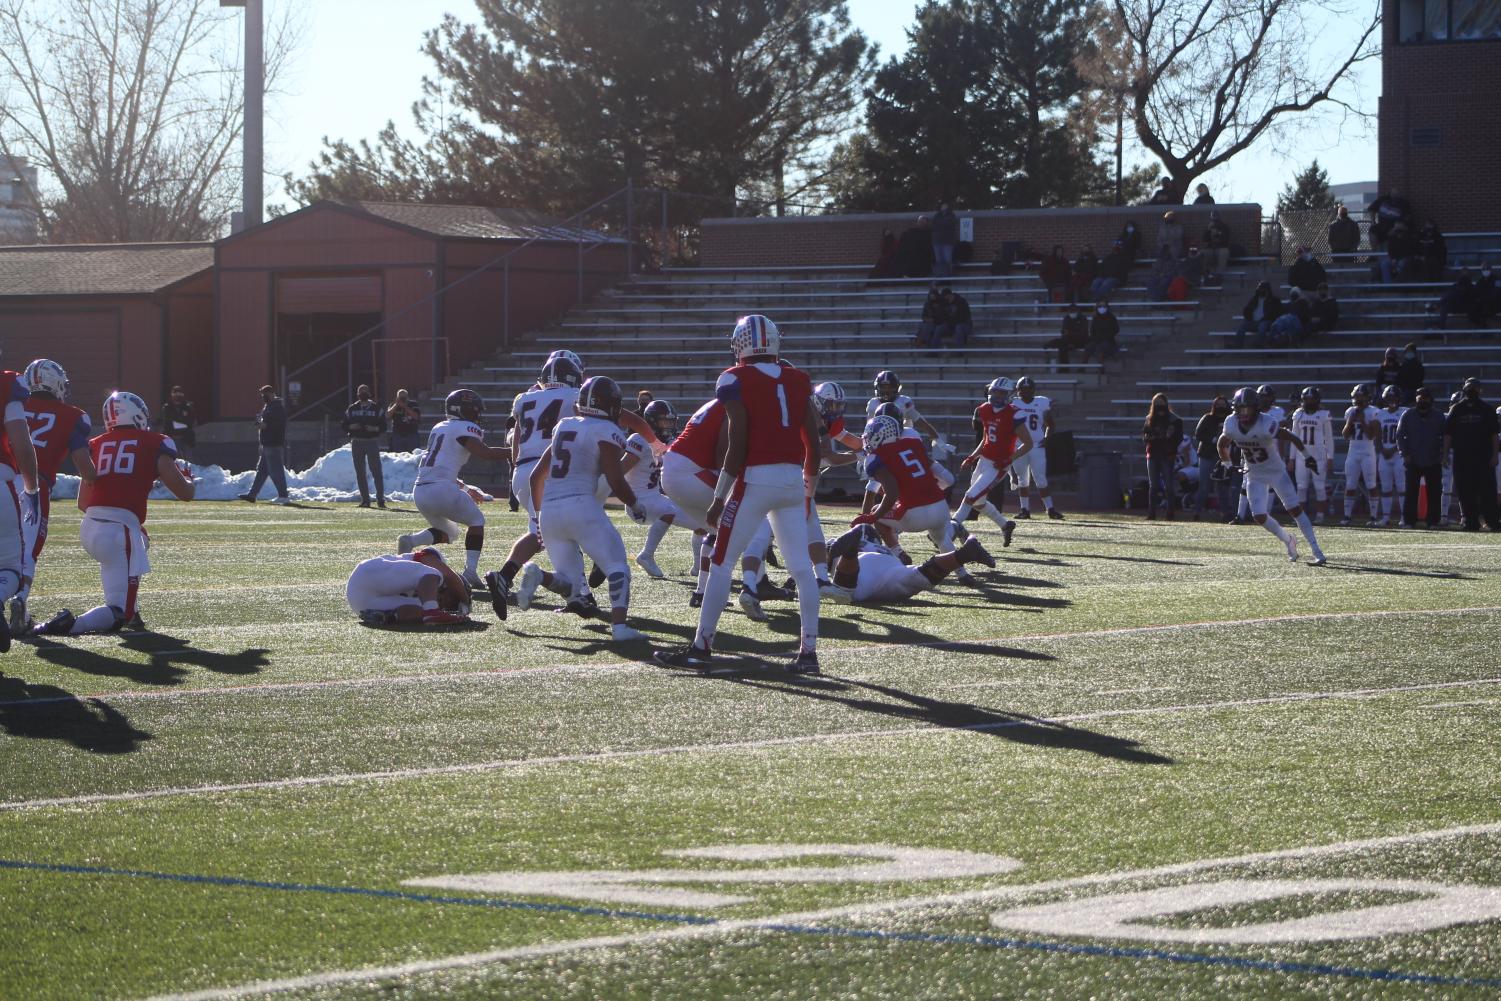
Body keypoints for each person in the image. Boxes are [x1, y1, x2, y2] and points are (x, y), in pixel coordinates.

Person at [654, 315, 825, 674]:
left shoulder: (734, 378)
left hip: (756, 480)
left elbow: (738, 442)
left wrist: (718, 498)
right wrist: (808, 484)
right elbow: (813, 439)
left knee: (720, 562)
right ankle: (807, 653)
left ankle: (701, 647)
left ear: (740, 344)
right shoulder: (798, 378)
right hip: (793, 481)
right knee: (801, 569)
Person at [30, 392, 193, 638]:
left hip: (90, 527)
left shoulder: (94, 444)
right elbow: (185, 492)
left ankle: (132, 608)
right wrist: (188, 478)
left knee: (139, 541)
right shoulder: (155, 441)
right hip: (118, 530)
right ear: (138, 415)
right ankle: (71, 624)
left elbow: (83, 502)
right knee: (119, 612)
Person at [517, 376, 648, 642]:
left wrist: (539, 517)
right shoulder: (605, 430)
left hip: (550, 512)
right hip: (581, 505)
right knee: (617, 567)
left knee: (571, 584)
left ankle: (538, 575)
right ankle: (620, 628)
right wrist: (634, 503)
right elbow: (614, 478)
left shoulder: (563, 426)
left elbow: (535, 477)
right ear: (612, 406)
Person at [11, 359, 96, 632]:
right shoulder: (73, 415)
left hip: (2, 481)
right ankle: (20, 602)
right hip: (34, 485)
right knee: (27, 552)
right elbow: (84, 466)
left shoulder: (14, 407)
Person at [397, 389, 510, 590]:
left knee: (449, 532)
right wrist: (518, 452)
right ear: (463, 410)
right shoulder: (465, 428)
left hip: (421, 491)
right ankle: (470, 572)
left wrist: (466, 488)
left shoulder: (439, 427)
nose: (477, 415)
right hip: (441, 490)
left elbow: (440, 467)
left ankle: (410, 540)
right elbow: (486, 453)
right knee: (477, 521)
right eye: (474, 411)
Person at [1216, 387, 1327, 564]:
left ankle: (1317, 550)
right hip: (1254, 474)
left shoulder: (1266, 422)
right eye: (1240, 408)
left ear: (1255, 408)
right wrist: (1227, 463)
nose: (1244, 413)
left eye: (1247, 408)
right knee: (1259, 515)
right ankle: (1288, 540)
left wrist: (1307, 456)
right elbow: (1222, 444)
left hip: (1276, 472)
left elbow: (1292, 437)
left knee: (1294, 509)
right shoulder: (1231, 423)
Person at [854, 415, 957, 561]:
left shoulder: (877, 456)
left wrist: (872, 517)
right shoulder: (913, 443)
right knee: (941, 540)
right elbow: (944, 478)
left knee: (877, 512)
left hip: (914, 515)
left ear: (880, 435)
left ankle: (898, 554)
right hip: (941, 507)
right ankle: (961, 572)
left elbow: (891, 494)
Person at [818, 524, 996, 607]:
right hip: (889, 563)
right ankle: (962, 554)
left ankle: (849, 554)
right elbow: (904, 560)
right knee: (915, 575)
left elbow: (819, 563)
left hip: (858, 565)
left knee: (846, 592)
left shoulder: (834, 544)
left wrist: (795, 583)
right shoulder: (883, 548)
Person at [953, 378, 1033, 544]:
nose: (997, 395)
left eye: (1002, 392)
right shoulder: (984, 409)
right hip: (984, 460)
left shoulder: (1014, 413)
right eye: (995, 391)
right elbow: (986, 439)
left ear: (1009, 395)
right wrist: (973, 456)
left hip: (999, 465)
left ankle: (951, 527)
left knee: (970, 496)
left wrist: (1008, 460)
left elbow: (1028, 444)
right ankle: (1005, 525)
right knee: (978, 503)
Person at [621, 399, 687, 579]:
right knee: (669, 511)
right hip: (638, 500)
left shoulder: (672, 442)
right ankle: (646, 555)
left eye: (670, 422)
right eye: (663, 421)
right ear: (651, 422)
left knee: (702, 523)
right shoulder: (639, 440)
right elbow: (620, 471)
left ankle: (698, 569)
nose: (668, 426)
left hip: (656, 497)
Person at [347, 549, 471, 626]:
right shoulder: (433, 561)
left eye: (446, 605)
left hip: (361, 605)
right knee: (435, 574)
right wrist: (465, 602)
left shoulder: (428, 600)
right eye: (449, 598)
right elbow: (448, 575)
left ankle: (389, 617)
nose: (441, 602)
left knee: (421, 611)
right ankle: (432, 613)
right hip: (367, 574)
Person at [1443, 378, 1501, 531]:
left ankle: (1492, 521)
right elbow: (1448, 434)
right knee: (1465, 492)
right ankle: (1470, 521)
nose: (1472, 391)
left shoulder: (1487, 409)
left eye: (1475, 388)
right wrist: (1444, 454)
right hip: (1462, 458)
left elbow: (1494, 434)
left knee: (1487, 491)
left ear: (1480, 390)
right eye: (1469, 388)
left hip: (1483, 458)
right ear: (1464, 389)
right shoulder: (1456, 409)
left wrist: (1495, 455)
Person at [1008, 376, 1061, 519]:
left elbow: (1050, 424)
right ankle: (1024, 510)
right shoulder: (1013, 403)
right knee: (1022, 479)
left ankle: (1050, 509)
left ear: (1033, 390)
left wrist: (1046, 438)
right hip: (1019, 445)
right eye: (1023, 389)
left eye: (1029, 389)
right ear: (1018, 390)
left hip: (1037, 445)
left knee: (1041, 478)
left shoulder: (1042, 402)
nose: (1026, 392)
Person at [1397, 386, 1446, 528]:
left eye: (1425, 398)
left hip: (1433, 459)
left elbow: (1445, 437)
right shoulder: (1407, 415)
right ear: (1416, 399)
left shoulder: (1439, 416)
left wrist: (1442, 454)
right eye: (1420, 398)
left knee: (1435, 492)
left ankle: (1433, 521)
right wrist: (1404, 453)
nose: (1422, 401)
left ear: (1430, 400)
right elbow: (1400, 436)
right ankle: (1409, 520)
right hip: (1413, 458)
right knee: (1411, 492)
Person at [1290, 387, 1335, 524]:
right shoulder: (1298, 414)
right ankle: (1301, 517)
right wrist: (1291, 458)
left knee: (1319, 487)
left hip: (1318, 456)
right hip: (1301, 456)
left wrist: (1330, 457)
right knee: (1301, 487)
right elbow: (1294, 437)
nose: (1308, 402)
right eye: (1306, 399)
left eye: (1311, 399)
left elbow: (1329, 438)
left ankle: (1320, 515)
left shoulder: (1323, 415)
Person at [240, 385, 289, 504]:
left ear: (272, 394)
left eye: (265, 394)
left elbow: (273, 426)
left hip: (273, 444)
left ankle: (283, 496)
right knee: (262, 471)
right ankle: (252, 495)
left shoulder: (276, 408)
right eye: (262, 395)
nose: (263, 397)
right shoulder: (269, 406)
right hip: (267, 444)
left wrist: (261, 425)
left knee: (276, 471)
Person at [1340, 384, 1381, 525]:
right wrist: (1351, 420)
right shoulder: (1350, 411)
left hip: (1367, 452)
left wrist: (1363, 420)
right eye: (1356, 396)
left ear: (1367, 397)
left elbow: (1371, 435)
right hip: (1353, 451)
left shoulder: (1373, 412)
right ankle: (1347, 516)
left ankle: (1374, 517)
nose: (1358, 399)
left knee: (1371, 484)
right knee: (1350, 484)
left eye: (1360, 396)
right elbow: (1345, 435)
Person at [343, 384, 387, 508]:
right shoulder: (352, 409)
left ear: (369, 393)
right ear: (357, 394)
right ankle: (365, 500)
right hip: (357, 441)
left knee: (376, 471)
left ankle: (380, 499)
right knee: (360, 472)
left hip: (371, 441)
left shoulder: (376, 408)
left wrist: (375, 428)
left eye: (365, 391)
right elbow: (344, 424)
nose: (363, 393)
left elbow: (384, 426)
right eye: (361, 391)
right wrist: (351, 427)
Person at [1142, 394, 1183, 519]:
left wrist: (1168, 443)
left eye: (1161, 402)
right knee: (1153, 485)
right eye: (1157, 403)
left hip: (1167, 454)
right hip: (1153, 453)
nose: (1160, 406)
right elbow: (1145, 436)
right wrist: (1152, 438)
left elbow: (1178, 438)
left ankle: (1170, 512)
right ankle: (1151, 512)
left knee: (1168, 485)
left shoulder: (1174, 420)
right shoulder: (1149, 418)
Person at [1193, 396, 1232, 519]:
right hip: (1207, 455)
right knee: (1204, 485)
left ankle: (1225, 513)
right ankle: (1197, 512)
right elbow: (1198, 434)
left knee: (1222, 486)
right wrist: (1212, 439)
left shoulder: (1230, 419)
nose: (1221, 407)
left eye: (1223, 404)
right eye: (1218, 404)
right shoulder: (1207, 418)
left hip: (1224, 456)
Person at [1374, 385, 1408, 526]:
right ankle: (1386, 517)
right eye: (1389, 398)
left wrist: (1393, 449)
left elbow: (1406, 435)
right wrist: (1382, 449)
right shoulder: (1380, 413)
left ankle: (1404, 517)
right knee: (1386, 487)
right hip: (1384, 454)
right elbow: (1377, 435)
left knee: (1401, 487)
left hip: (1398, 454)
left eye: (1394, 398)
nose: (1392, 400)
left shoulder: (1405, 412)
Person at [1234, 282, 1283, 348]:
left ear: (1267, 290)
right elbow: (1247, 310)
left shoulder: (1274, 300)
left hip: (1266, 322)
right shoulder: (1254, 300)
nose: (1261, 291)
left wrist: (1265, 318)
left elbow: (1276, 314)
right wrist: (1248, 314)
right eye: (1260, 289)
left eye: (1263, 289)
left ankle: (1257, 345)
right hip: (1253, 322)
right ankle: (1238, 346)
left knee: (1262, 326)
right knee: (1243, 325)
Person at [157, 386, 196, 463]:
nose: (178, 395)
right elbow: (167, 423)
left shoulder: (188, 407)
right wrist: (180, 423)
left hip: (186, 438)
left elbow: (190, 422)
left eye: (180, 393)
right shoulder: (167, 407)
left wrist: (177, 423)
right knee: (174, 460)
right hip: (171, 437)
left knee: (189, 462)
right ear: (172, 394)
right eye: (175, 393)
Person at [1047, 306, 1090, 371]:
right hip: (1068, 341)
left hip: (1081, 341)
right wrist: (1068, 336)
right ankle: (1064, 368)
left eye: (1074, 311)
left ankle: (1051, 343)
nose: (1072, 313)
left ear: (1078, 311)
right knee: (1062, 347)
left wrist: (1069, 334)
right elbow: (1064, 331)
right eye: (1071, 311)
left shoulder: (1083, 319)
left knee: (1061, 342)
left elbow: (1083, 334)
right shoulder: (1067, 318)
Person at [1201, 211, 1231, 282]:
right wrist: (1208, 230)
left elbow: (1226, 239)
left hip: (1221, 248)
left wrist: (1218, 233)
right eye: (1213, 216)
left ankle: (1219, 275)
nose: (1214, 218)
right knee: (1202, 253)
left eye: (1215, 216)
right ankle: (1205, 274)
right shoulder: (1209, 227)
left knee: (1224, 252)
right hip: (1210, 249)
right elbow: (1204, 239)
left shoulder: (1224, 227)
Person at [931, 203, 959, 278]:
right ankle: (940, 277)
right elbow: (934, 225)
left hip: (948, 242)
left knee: (947, 260)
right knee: (939, 261)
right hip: (937, 241)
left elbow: (951, 224)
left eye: (945, 207)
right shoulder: (937, 215)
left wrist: (942, 223)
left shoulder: (951, 215)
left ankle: (948, 277)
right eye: (943, 207)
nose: (944, 208)